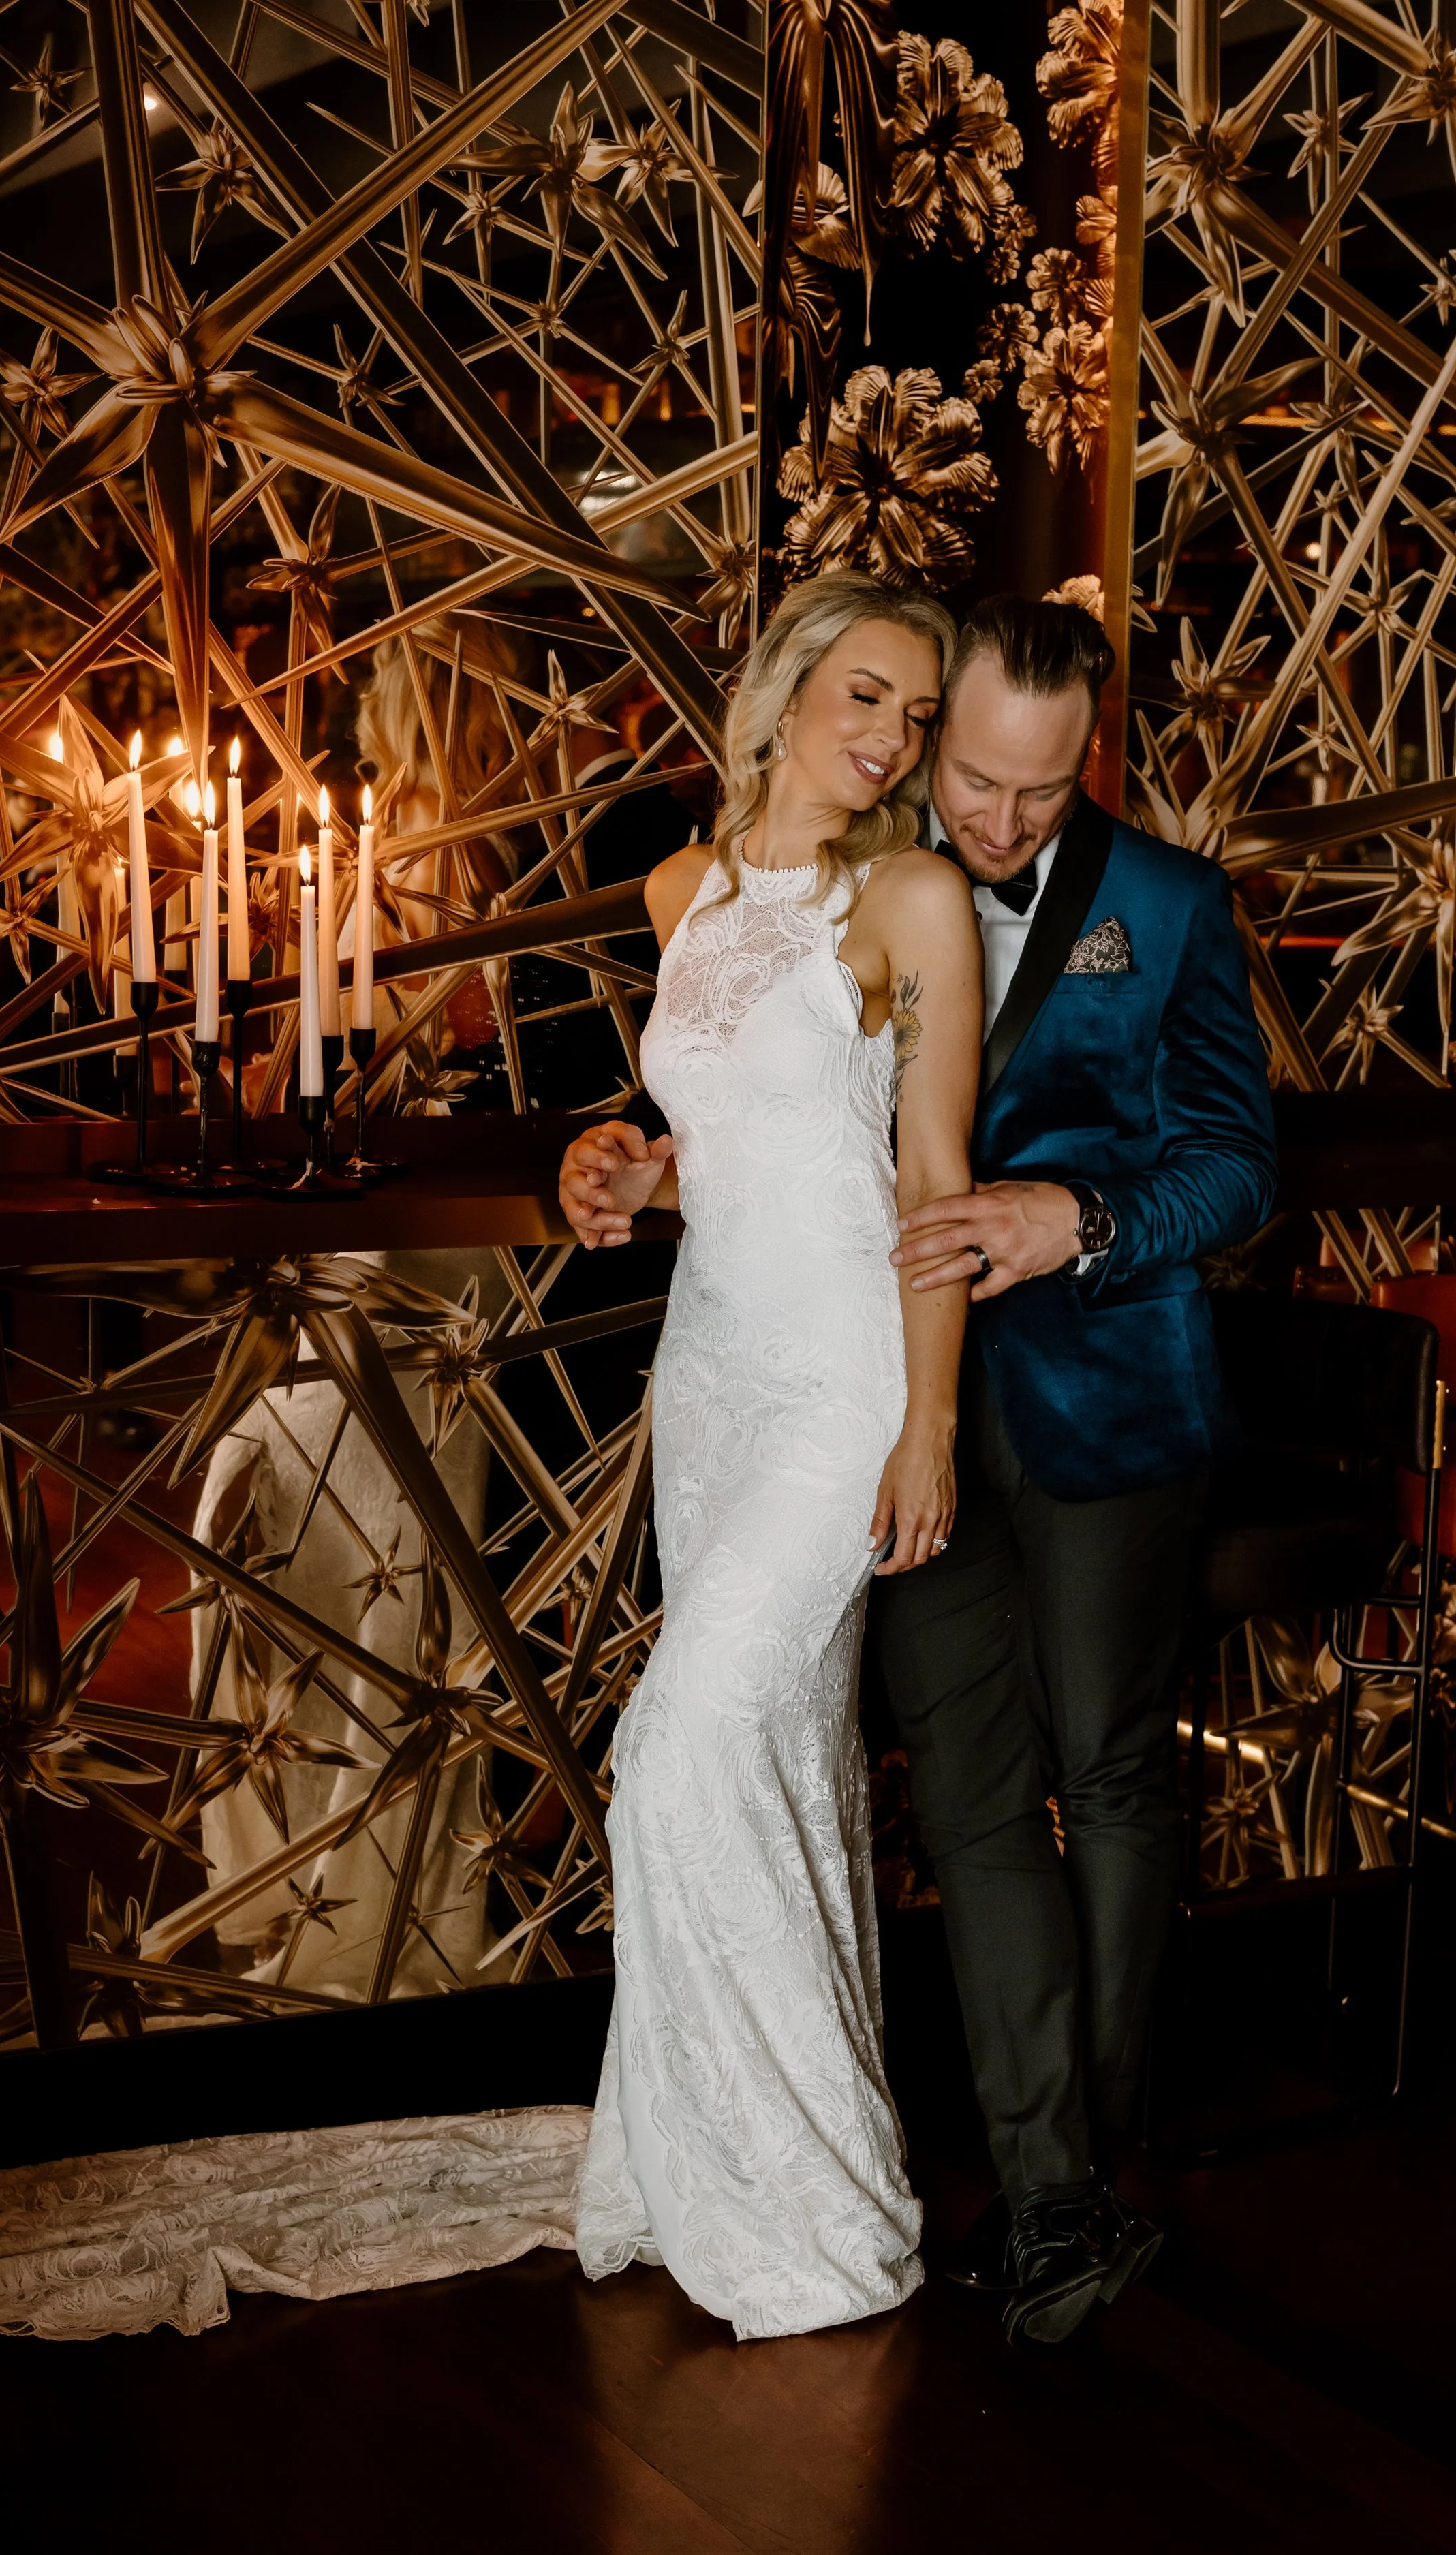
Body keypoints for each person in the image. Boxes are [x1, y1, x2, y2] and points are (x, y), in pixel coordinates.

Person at [561, 572, 983, 2339]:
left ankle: (815, 2197)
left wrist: (930, 1421)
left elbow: (931, 1181)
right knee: (781, 1768)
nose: (888, 736)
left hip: (838, 1389)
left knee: (674, 1749)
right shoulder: (682, 888)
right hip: (708, 1375)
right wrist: (622, 1163)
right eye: (867, 694)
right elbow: (716, 1125)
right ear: (792, 681)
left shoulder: (914, 897)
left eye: (914, 713)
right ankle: (720, 2155)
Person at [874, 595, 1275, 2344]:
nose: (998, 822)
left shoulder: (1174, 905)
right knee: (966, 1796)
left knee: (1108, 1778)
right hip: (908, 1411)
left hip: (1114, 1404)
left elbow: (1237, 1171)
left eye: (1039, 797)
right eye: (972, 779)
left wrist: (1083, 1219)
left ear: (1086, 755)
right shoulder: (854, 887)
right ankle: (1048, 2193)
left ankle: (1093, 2150)